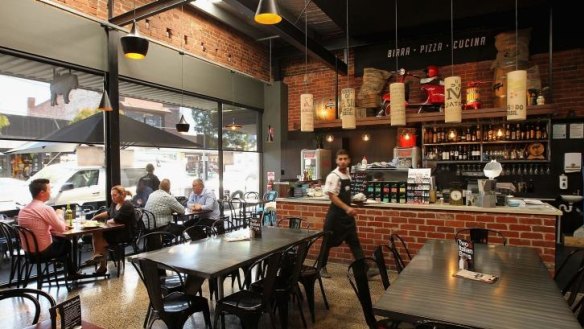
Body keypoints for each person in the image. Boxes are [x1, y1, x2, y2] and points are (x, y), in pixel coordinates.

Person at [17, 178, 81, 279]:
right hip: (43, 252)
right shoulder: (45, 209)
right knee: (67, 243)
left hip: (29, 253)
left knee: (61, 242)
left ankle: (70, 270)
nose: (51, 192)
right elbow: (61, 229)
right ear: (42, 192)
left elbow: (38, 225)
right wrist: (59, 214)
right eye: (49, 189)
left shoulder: (24, 210)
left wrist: (51, 225)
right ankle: (71, 272)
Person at [319, 149, 365, 278]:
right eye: (340, 159)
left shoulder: (348, 174)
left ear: (349, 160)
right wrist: (347, 208)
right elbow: (332, 196)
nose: (343, 161)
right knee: (327, 242)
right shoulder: (333, 176)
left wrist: (355, 200)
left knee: (354, 241)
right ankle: (321, 267)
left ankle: (364, 269)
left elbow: (344, 194)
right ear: (336, 161)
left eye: (345, 159)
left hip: (346, 216)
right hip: (335, 217)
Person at [88, 185, 138, 274]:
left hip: (125, 233)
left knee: (101, 238)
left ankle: (100, 261)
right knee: (97, 233)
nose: (112, 197)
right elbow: (108, 213)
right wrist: (95, 217)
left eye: (114, 195)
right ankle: (98, 257)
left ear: (122, 195)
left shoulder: (127, 205)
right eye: (111, 195)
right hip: (115, 231)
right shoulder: (114, 204)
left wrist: (102, 223)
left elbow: (116, 220)